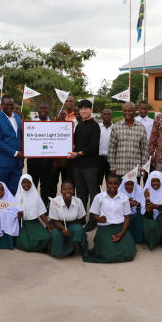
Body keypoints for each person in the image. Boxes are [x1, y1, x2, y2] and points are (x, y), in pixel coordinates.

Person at [84, 174, 136, 263]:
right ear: (106, 184)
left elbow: (127, 218)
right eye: (110, 183)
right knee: (110, 256)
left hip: (119, 227)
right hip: (105, 228)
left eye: (115, 183)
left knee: (129, 254)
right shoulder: (99, 197)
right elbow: (93, 215)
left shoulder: (124, 198)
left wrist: (121, 233)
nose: (112, 186)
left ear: (119, 184)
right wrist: (100, 219)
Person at [68, 99, 100, 231]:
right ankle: (81, 217)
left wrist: (79, 153)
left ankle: (93, 220)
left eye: (86, 108)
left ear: (91, 110)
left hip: (91, 165)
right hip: (78, 165)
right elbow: (72, 141)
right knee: (81, 193)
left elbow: (93, 147)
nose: (83, 111)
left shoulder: (94, 126)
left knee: (94, 193)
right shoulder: (79, 125)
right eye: (81, 109)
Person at [0, 95, 24, 195]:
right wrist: (15, 153)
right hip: (2, 164)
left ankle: (12, 211)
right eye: (6, 104)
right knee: (2, 193)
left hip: (17, 164)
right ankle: (3, 211)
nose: (9, 106)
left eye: (11, 104)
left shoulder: (17, 117)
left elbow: (21, 137)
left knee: (15, 191)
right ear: (1, 105)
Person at [108, 102, 149, 182]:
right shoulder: (116, 127)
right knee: (120, 194)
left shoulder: (141, 128)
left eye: (130, 111)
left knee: (133, 194)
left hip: (135, 171)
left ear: (134, 111)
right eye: (125, 111)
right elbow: (111, 149)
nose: (127, 113)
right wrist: (112, 167)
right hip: (119, 170)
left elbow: (145, 150)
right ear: (123, 112)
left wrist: (143, 168)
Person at [48, 181, 88, 258]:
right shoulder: (55, 202)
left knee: (78, 229)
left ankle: (73, 247)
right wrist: (63, 228)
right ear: (61, 191)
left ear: (73, 190)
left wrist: (74, 228)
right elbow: (54, 220)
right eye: (64, 189)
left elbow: (82, 219)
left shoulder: (78, 201)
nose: (67, 191)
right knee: (56, 234)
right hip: (58, 224)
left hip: (73, 223)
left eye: (70, 189)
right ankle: (59, 251)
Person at [28, 103, 58, 207]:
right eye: (41, 107)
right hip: (33, 161)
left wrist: (54, 161)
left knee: (46, 185)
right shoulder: (31, 124)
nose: (43, 109)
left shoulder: (53, 125)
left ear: (48, 109)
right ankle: (31, 206)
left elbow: (55, 144)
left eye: (45, 107)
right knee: (32, 185)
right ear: (38, 109)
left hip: (47, 161)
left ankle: (44, 206)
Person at [15, 174, 51, 253]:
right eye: (23, 182)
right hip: (22, 224)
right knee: (27, 244)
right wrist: (18, 216)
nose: (26, 184)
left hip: (34, 222)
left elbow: (41, 212)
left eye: (28, 182)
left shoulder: (35, 196)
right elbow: (13, 216)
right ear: (20, 183)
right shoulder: (17, 197)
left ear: (32, 183)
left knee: (46, 237)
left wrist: (48, 225)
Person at [119, 176, 145, 243]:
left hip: (135, 214)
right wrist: (128, 205)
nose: (129, 187)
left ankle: (138, 239)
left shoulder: (139, 190)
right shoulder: (119, 192)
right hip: (123, 217)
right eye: (127, 184)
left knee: (140, 214)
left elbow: (143, 206)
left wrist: (137, 204)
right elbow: (116, 208)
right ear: (123, 184)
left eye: (132, 184)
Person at [98, 109, 113, 187]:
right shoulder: (97, 127)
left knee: (110, 183)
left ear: (112, 116)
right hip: (98, 159)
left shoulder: (115, 128)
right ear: (101, 116)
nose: (107, 115)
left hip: (111, 159)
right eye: (105, 114)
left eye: (109, 114)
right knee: (97, 182)